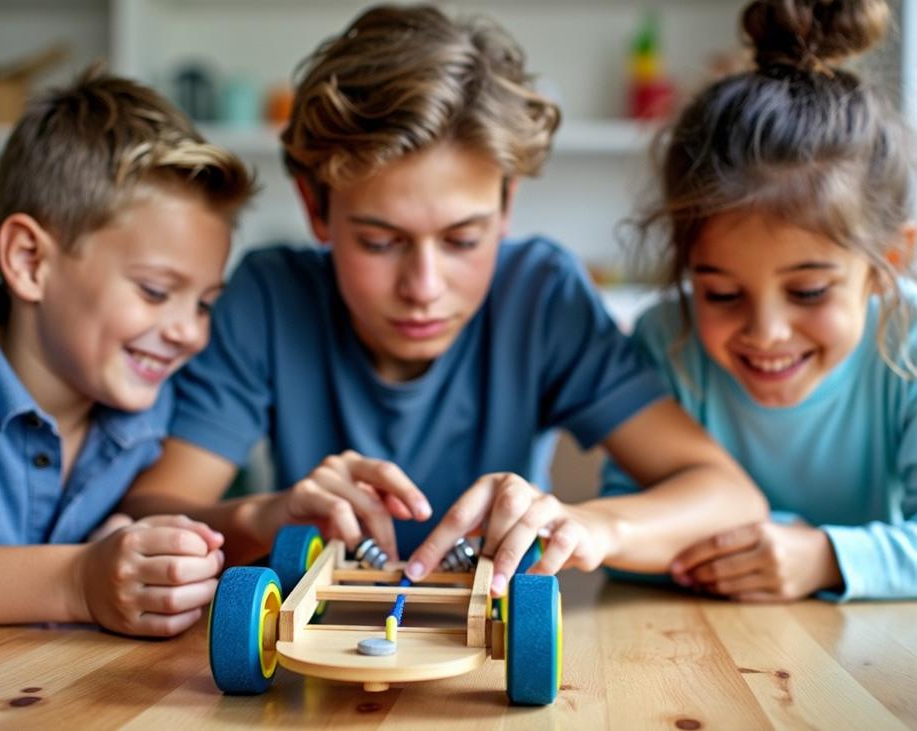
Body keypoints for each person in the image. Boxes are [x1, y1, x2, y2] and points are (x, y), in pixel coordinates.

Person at [123, 3, 766, 598]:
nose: (424, 287)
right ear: (316, 208)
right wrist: (263, 514)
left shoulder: (539, 294)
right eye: (379, 242)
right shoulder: (270, 297)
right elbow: (150, 514)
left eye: (462, 239)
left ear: (508, 204)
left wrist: (589, 527)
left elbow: (728, 496)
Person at [602, 0, 917, 601]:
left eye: (808, 291)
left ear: (888, 263)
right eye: (719, 293)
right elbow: (624, 534)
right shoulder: (665, 339)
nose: (767, 332)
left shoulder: (909, 339)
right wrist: (748, 552)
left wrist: (825, 558)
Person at [0, 67, 257, 635]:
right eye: (155, 292)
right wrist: (75, 582)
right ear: (29, 261)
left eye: (205, 303)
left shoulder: (153, 397)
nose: (189, 332)